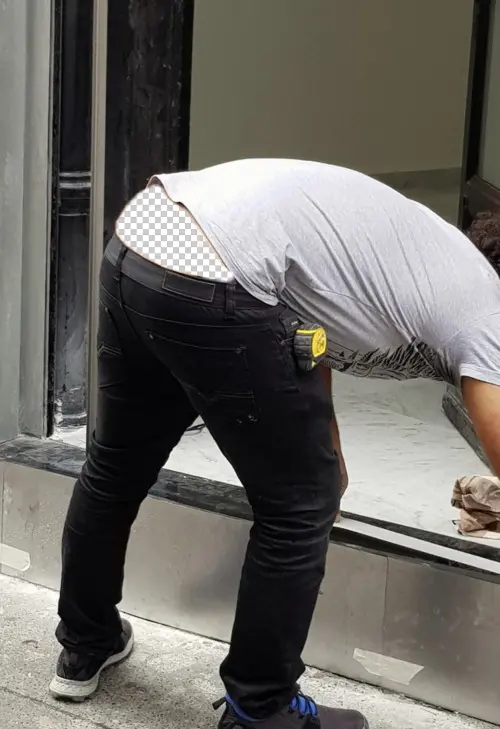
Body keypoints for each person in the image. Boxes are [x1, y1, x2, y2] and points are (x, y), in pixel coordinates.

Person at [50, 159, 500, 729]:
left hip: (143, 239)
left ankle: (84, 644)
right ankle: (261, 709)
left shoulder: (424, 257)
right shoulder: (484, 305)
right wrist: (315, 480)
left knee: (117, 464)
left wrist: (326, 449)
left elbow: (310, 331)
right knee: (298, 507)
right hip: (217, 273)